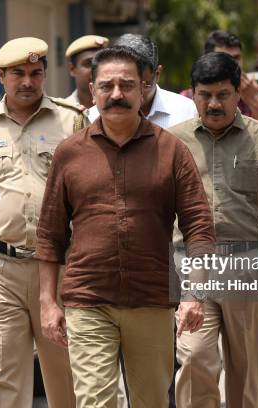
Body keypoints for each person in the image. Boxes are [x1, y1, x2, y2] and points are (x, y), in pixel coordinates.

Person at [36, 45, 216, 408]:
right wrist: (47, 302)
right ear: (92, 91)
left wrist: (195, 294)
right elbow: (51, 232)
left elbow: (198, 226)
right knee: (94, 401)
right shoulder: (70, 152)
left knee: (151, 401)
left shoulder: (172, 151)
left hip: (150, 301)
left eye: (127, 85)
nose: (116, 94)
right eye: (106, 86)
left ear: (144, 88)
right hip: (89, 300)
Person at [0, 37, 87, 408]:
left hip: (61, 267)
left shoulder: (71, 119)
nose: (28, 82)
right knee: (1, 375)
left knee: (66, 371)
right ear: (1, 76)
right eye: (18, 73)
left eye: (36, 73)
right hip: (0, 268)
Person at [169, 52, 258, 408]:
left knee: (246, 372)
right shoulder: (170, 143)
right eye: (205, 94)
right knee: (195, 356)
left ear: (238, 93)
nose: (213, 103)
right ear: (193, 94)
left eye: (223, 94)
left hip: (249, 266)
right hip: (191, 266)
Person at [88, 34, 197, 129]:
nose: (118, 95)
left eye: (145, 85)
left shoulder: (186, 112)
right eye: (127, 85)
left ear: (157, 74)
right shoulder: (91, 118)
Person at [181, 30, 258, 129]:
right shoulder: (186, 99)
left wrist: (253, 101)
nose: (234, 64)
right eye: (225, 58)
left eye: (237, 58)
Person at [65, 34, 109, 109]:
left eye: (103, 63)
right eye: (89, 63)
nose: (97, 69)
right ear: (72, 69)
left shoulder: (118, 108)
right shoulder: (61, 113)